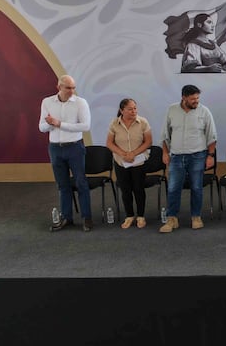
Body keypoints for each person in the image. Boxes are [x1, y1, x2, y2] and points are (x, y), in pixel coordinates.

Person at [159, 84, 217, 232]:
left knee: (196, 187)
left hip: (198, 155)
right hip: (176, 156)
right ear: (183, 98)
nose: (196, 101)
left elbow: (212, 136)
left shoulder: (204, 111)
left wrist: (210, 156)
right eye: (192, 99)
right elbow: (165, 135)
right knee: (173, 188)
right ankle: (172, 219)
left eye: (197, 98)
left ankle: (196, 217)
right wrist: (165, 153)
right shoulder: (171, 110)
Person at [39, 75, 93, 231]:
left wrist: (59, 124)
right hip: (55, 148)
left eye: (73, 87)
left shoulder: (80, 103)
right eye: (68, 88)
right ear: (59, 87)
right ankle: (66, 218)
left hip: (75, 147)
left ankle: (86, 218)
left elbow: (85, 126)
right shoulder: (47, 102)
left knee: (81, 183)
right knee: (62, 185)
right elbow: (41, 127)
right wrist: (50, 124)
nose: (72, 91)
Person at [106, 98, 153, 229]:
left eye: (135, 108)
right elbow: (109, 143)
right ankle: (129, 215)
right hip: (121, 162)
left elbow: (148, 142)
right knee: (125, 190)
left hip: (138, 162)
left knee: (138, 189)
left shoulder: (143, 122)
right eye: (130, 109)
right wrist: (123, 154)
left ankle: (141, 216)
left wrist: (133, 153)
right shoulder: (114, 123)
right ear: (122, 110)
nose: (134, 111)